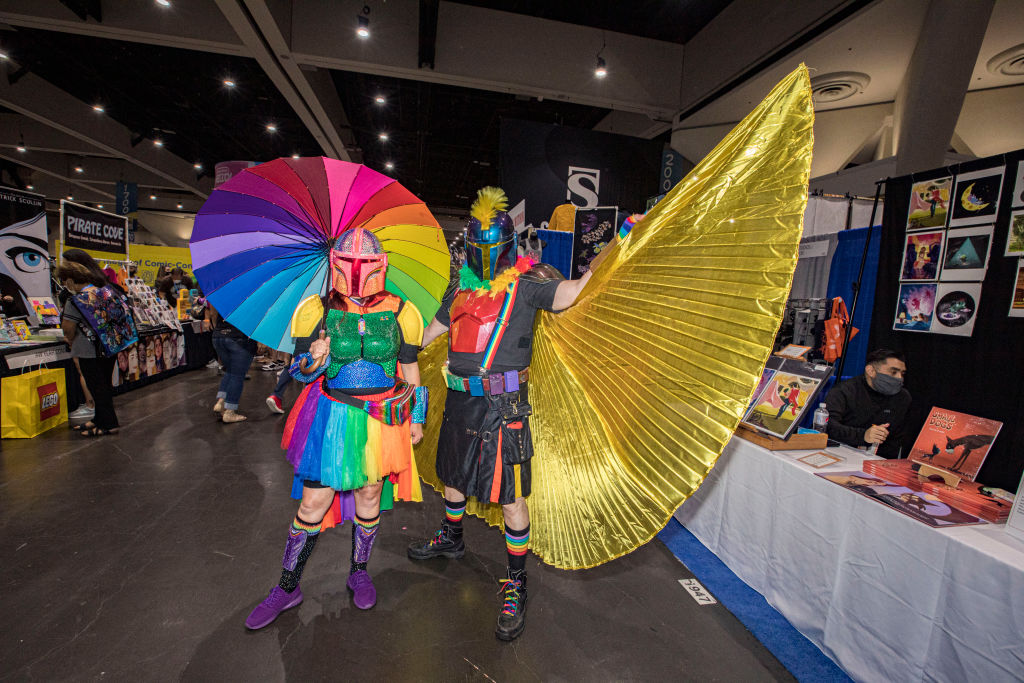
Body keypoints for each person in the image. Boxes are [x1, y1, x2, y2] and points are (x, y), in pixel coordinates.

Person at [407, 187, 592, 641]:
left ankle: (516, 581)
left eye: (493, 249)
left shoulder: (529, 286)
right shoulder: (459, 290)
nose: (485, 257)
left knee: (510, 496)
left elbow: (573, 292)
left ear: (508, 248)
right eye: (478, 249)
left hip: (503, 407)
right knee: (452, 473)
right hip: (459, 400)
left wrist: (618, 244)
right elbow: (427, 336)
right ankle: (451, 536)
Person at [245, 227, 428, 630]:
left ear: (381, 265)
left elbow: (411, 367)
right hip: (331, 416)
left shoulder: (402, 311)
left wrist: (417, 418)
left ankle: (359, 570)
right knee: (313, 503)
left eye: (366, 263)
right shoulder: (317, 309)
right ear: (335, 264)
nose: (357, 271)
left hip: (384, 418)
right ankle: (288, 586)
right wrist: (315, 357)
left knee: (369, 494)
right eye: (349, 263)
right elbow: (300, 373)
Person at [56, 261, 119, 437]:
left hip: (87, 349)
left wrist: (69, 338)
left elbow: (68, 328)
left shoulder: (75, 300)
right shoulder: (105, 292)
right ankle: (99, 420)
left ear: (70, 280)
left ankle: (109, 424)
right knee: (104, 385)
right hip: (109, 346)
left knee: (96, 387)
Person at [824, 348, 911, 458]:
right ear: (871, 371)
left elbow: (899, 437)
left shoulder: (902, 397)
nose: (899, 378)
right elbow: (827, 425)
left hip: (879, 460)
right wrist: (863, 435)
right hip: (839, 453)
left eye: (902, 374)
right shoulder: (844, 391)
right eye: (893, 372)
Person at [206, 304, 256, 423]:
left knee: (231, 371)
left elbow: (213, 312)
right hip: (240, 338)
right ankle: (230, 411)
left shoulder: (228, 291)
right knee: (238, 375)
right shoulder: (252, 295)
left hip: (219, 336)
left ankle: (221, 401)